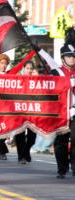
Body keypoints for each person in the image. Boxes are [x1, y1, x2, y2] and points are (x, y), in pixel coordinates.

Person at [51, 43, 75, 178]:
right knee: (61, 142)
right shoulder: (56, 72)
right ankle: (62, 169)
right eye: (69, 56)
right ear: (63, 58)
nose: (72, 59)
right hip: (60, 112)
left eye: (73, 56)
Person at [15, 61, 37, 164]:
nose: (29, 70)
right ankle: (21, 156)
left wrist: (37, 79)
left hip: (33, 111)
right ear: (23, 68)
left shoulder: (36, 80)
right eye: (27, 68)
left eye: (31, 68)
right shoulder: (18, 79)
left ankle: (27, 151)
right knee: (20, 134)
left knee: (32, 136)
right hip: (20, 110)